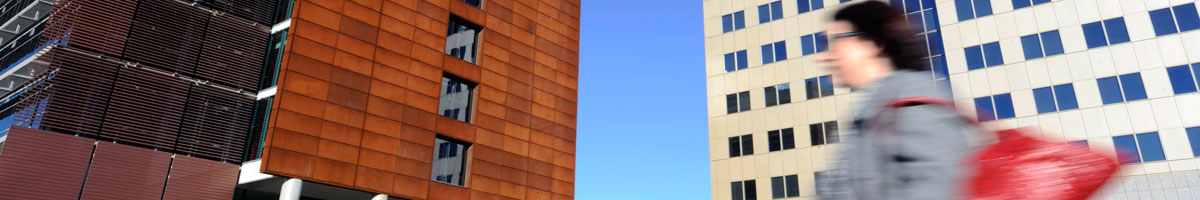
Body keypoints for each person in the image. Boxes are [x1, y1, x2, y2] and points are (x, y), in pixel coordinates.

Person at [816, 1, 974, 199]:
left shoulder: (912, 95)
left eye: (833, 41)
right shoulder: (874, 109)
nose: (823, 57)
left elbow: (938, 189)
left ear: (875, 43)